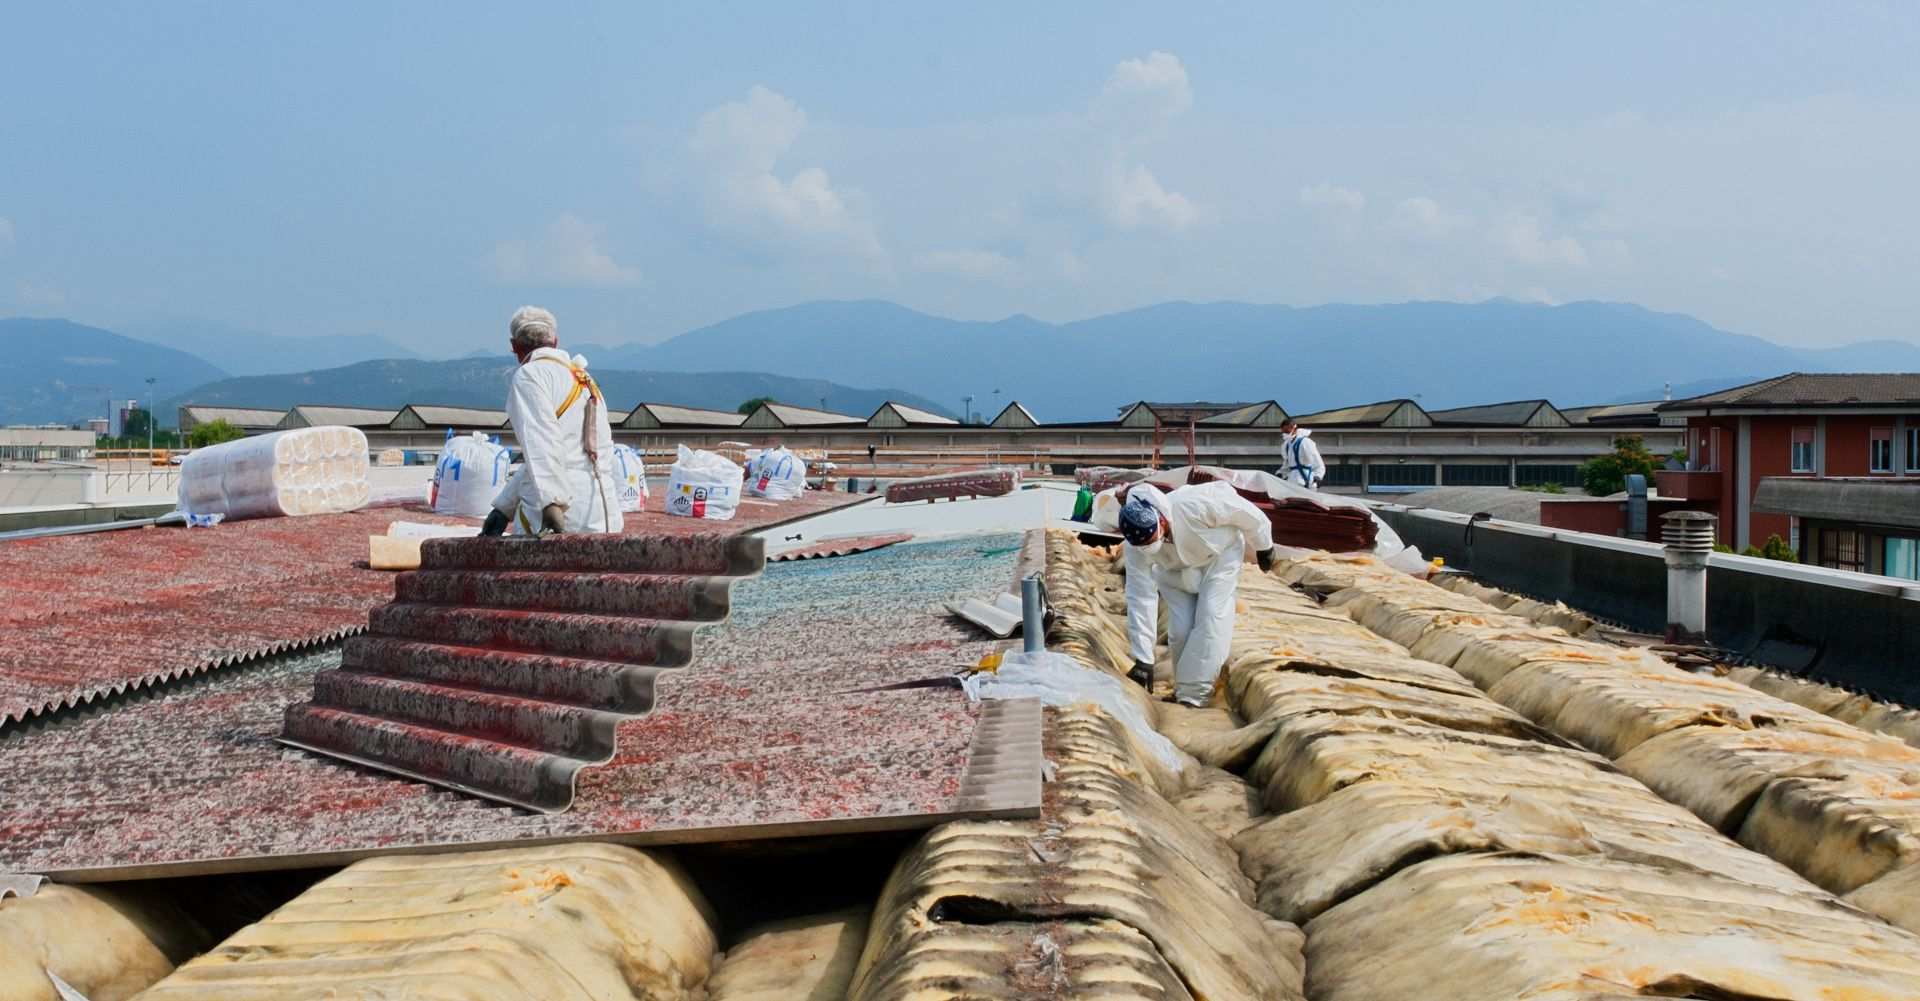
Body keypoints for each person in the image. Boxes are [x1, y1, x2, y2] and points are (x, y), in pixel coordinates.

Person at [1120, 481, 1276, 707]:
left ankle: (1195, 697)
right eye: (1141, 545)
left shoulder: (1194, 506)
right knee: (1180, 631)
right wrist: (1144, 658)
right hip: (1173, 571)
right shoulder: (1135, 549)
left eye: (1150, 539)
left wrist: (1264, 545)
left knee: (1211, 617)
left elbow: (1245, 512)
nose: (1145, 548)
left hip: (1219, 558)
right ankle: (1182, 689)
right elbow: (1140, 595)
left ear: (1161, 520)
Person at [481, 306, 624, 537]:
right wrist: (504, 507)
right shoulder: (584, 379)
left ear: (514, 346)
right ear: (555, 341)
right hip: (602, 510)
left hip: (558, 512)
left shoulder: (530, 376)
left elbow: (542, 444)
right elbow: (555, 453)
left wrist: (552, 503)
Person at [1279, 419, 1325, 488]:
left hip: (1305, 480)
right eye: (1283, 432)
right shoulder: (1287, 445)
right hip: (1292, 481)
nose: (1285, 434)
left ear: (1294, 429)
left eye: (1286, 431)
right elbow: (1287, 465)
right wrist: (1281, 473)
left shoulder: (1305, 442)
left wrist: (1318, 477)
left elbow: (1318, 462)